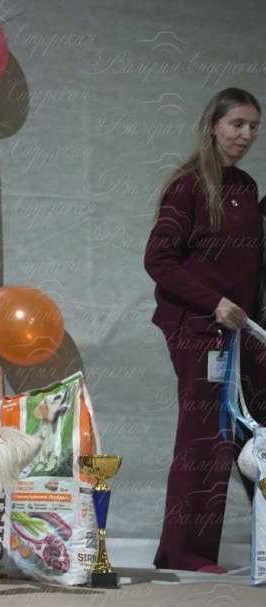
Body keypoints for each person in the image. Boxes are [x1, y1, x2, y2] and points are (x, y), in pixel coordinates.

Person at [144, 87, 262, 573]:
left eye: (254, 127)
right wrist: (213, 303)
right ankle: (180, 551)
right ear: (213, 125)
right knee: (201, 440)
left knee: (236, 440)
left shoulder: (248, 188)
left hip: (241, 335)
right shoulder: (189, 186)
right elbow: (158, 259)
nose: (246, 134)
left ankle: (206, 551)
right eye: (237, 124)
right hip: (196, 331)